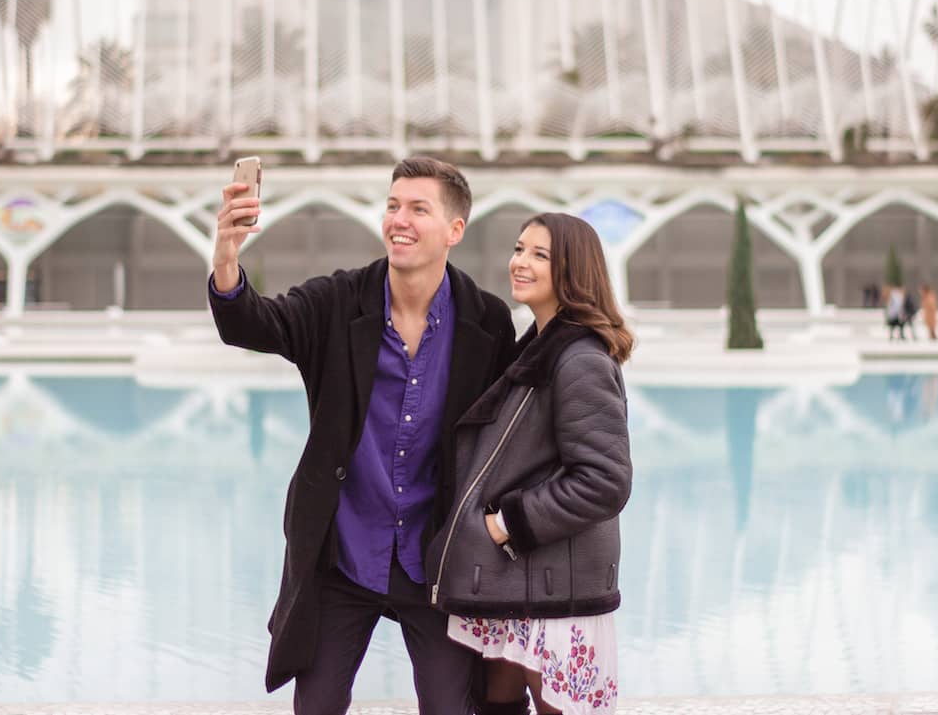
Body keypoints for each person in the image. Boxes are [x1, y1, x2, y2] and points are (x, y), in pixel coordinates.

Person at [208, 156, 516, 714]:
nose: (399, 219)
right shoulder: (335, 302)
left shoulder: (488, 322)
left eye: (418, 208)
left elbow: (511, 438)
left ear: (454, 230)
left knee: (452, 707)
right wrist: (227, 256)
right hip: (343, 554)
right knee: (318, 706)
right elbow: (250, 323)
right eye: (393, 205)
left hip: (435, 561)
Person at [427, 213, 633, 715]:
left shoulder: (578, 358)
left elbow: (605, 481)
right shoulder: (537, 350)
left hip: (551, 588)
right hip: (523, 583)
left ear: (573, 271)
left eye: (539, 255)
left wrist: (507, 524)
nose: (519, 262)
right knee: (499, 701)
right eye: (519, 249)